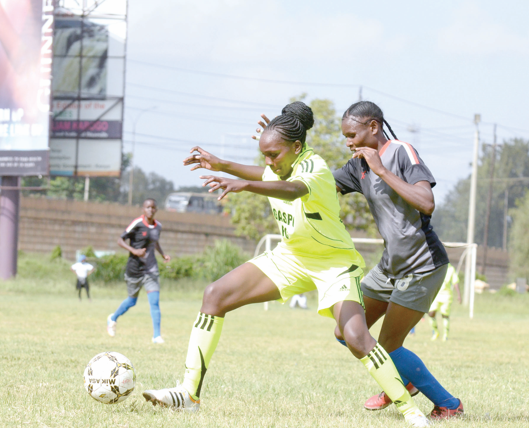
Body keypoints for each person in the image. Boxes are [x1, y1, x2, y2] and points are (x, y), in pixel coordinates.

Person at [141, 102, 431, 427]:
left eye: (274, 155)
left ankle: (409, 410)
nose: (268, 163)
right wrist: (221, 164)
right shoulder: (282, 164)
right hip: (291, 257)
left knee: (355, 336)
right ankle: (188, 394)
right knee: (214, 295)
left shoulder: (315, 168)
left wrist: (245, 186)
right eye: (265, 155)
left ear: (296, 147)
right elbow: (264, 173)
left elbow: (292, 190)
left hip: (333, 264)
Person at [253, 101, 463, 420]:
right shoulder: (357, 165)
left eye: (352, 134)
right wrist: (284, 147)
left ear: (373, 127)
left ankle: (449, 404)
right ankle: (403, 382)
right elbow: (311, 185)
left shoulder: (400, 152)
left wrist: (380, 170)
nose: (348, 141)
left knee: (389, 344)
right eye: (345, 136)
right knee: (346, 331)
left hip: (422, 265)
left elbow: (427, 202)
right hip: (389, 266)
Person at [106, 198, 171, 344]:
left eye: (153, 207)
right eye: (148, 207)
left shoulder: (158, 226)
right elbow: (120, 240)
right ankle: (113, 318)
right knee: (131, 301)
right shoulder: (137, 224)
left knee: (154, 302)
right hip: (134, 269)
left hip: (151, 269)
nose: (150, 210)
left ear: (156, 210)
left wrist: (163, 254)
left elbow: (155, 242)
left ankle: (156, 336)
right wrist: (134, 251)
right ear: (143, 209)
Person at [428, 263, 461, 341]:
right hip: (436, 295)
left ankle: (445, 335)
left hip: (446, 296)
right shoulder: (436, 267)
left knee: (445, 315)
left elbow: (455, 282)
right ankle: (436, 332)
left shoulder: (451, 269)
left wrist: (459, 295)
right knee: (431, 313)